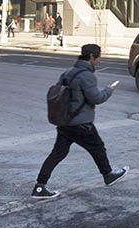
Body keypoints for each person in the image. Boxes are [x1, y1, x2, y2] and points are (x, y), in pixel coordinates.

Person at [33, 43, 127, 198]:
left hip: (64, 122)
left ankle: (39, 186)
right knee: (98, 148)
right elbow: (96, 98)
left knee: (58, 153)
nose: (99, 60)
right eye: (98, 57)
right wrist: (109, 90)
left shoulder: (67, 73)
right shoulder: (87, 76)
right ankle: (108, 175)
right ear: (91, 57)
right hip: (80, 124)